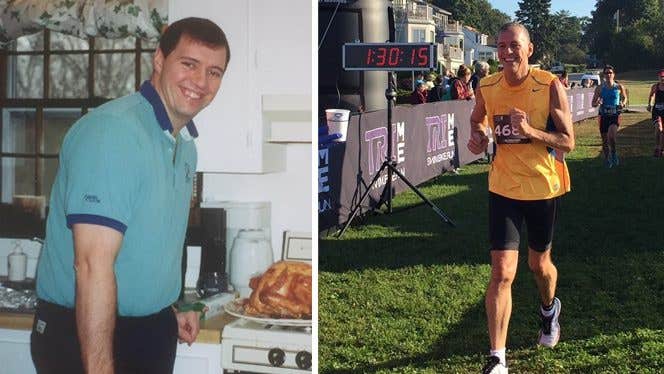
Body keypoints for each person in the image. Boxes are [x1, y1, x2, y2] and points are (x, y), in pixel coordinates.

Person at [30, 17, 230, 374]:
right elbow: (91, 265)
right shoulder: (113, 134)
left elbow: (149, 244)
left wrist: (168, 307)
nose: (201, 82)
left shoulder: (183, 145)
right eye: (189, 65)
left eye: (214, 72)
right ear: (158, 60)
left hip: (149, 332)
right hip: (85, 335)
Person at [467, 22, 574, 374]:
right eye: (501, 46)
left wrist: (530, 131)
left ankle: (548, 310)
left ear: (529, 49)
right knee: (502, 272)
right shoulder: (487, 86)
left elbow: (568, 142)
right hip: (503, 188)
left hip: (543, 188)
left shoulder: (549, 86)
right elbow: (477, 121)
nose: (507, 52)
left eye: (514, 45)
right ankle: (497, 358)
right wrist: (479, 137)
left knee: (539, 266)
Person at [592, 65, 626, 167]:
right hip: (603, 116)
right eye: (606, 73)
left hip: (615, 115)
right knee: (605, 140)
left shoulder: (619, 87)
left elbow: (624, 98)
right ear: (604, 75)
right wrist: (597, 102)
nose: (608, 75)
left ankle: (614, 153)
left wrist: (623, 103)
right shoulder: (599, 88)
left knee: (611, 137)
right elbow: (593, 103)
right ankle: (607, 159)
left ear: (614, 74)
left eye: (610, 73)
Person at [647, 69, 664, 157]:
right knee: (658, 128)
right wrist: (649, 104)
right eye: (661, 77)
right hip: (657, 111)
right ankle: (657, 147)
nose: (662, 78)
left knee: (663, 131)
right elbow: (651, 95)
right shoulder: (655, 87)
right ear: (658, 77)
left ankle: (661, 149)